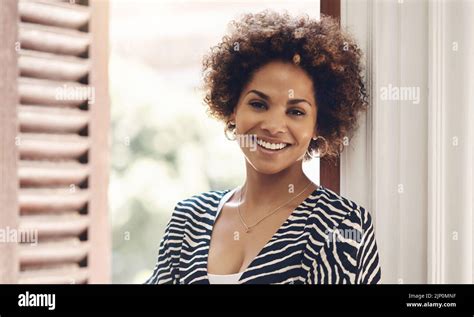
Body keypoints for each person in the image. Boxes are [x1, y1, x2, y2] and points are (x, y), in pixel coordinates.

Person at [145, 10, 381, 284]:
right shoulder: (188, 218)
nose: (273, 125)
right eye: (259, 104)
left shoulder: (339, 224)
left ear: (319, 124)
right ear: (234, 108)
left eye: (296, 112)